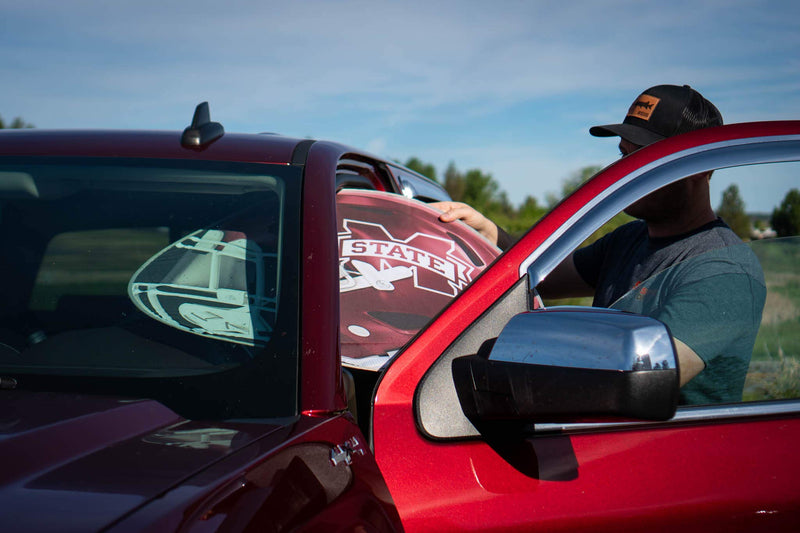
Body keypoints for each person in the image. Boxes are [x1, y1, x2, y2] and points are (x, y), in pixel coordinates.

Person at [432, 84, 766, 404]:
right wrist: (488, 233)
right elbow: (541, 277)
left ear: (699, 166)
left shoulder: (723, 271)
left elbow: (633, 383)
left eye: (648, 158)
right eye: (624, 156)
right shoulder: (629, 239)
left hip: (668, 456)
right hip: (603, 442)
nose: (627, 171)